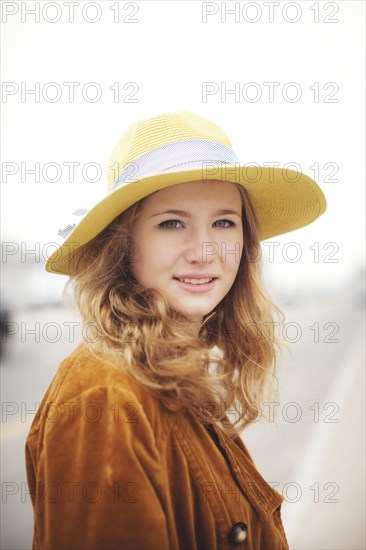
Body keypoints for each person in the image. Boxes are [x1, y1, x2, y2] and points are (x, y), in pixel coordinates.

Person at [25, 111, 326, 550]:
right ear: (124, 244)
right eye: (172, 222)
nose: (205, 252)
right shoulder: (106, 398)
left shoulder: (177, 374)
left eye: (224, 222)